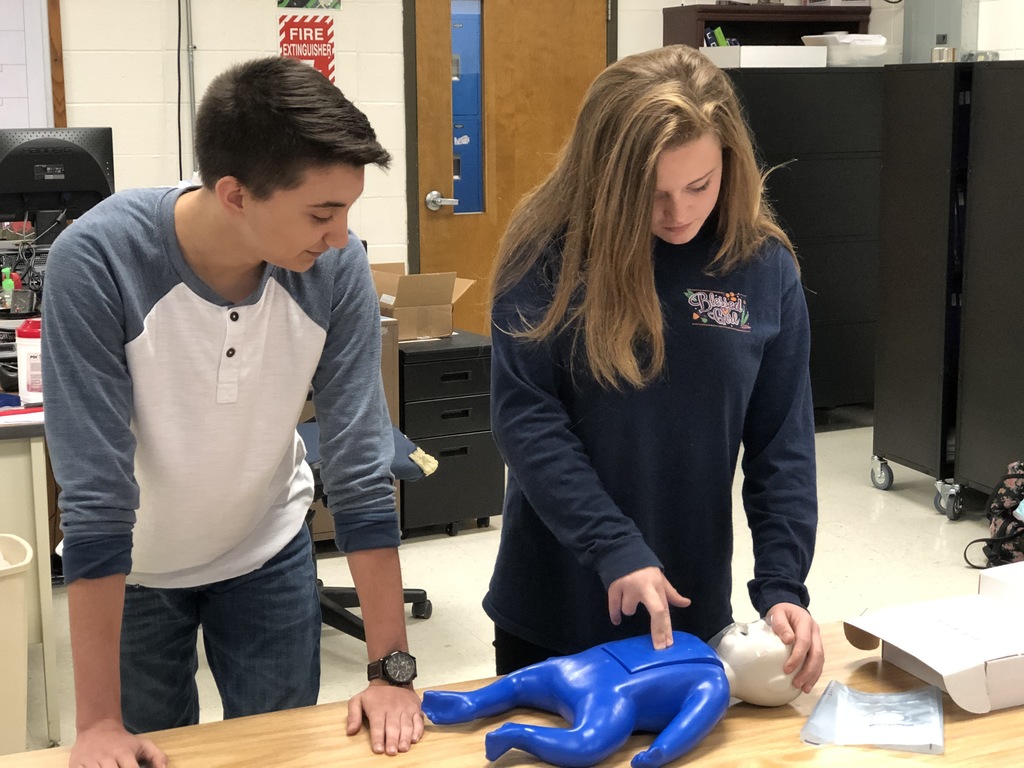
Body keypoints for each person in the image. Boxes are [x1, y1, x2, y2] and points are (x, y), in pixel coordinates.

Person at [42, 56, 423, 768]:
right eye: (322, 212)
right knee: (149, 749)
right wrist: (94, 723)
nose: (341, 236)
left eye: (347, 209)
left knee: (277, 752)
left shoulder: (333, 270)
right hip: (137, 571)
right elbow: (94, 493)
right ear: (235, 195)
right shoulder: (97, 261)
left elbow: (359, 463)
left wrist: (389, 673)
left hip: (265, 550)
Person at [483, 44, 824, 693]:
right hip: (557, 612)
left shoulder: (762, 266)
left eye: (699, 184)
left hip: (690, 618)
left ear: (729, 158)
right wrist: (614, 546)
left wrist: (784, 586)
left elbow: (782, 445)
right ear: (605, 175)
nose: (678, 213)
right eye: (651, 192)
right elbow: (527, 421)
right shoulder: (547, 256)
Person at [421, 620, 800, 767]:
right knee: (587, 743)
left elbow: (687, 725)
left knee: (523, 682)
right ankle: (508, 728)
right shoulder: (704, 663)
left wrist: (660, 751)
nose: (755, 623)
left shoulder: (713, 680)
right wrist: (657, 754)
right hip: (607, 690)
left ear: (772, 687)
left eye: (765, 635)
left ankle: (484, 711)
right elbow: (689, 726)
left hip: (585, 669)